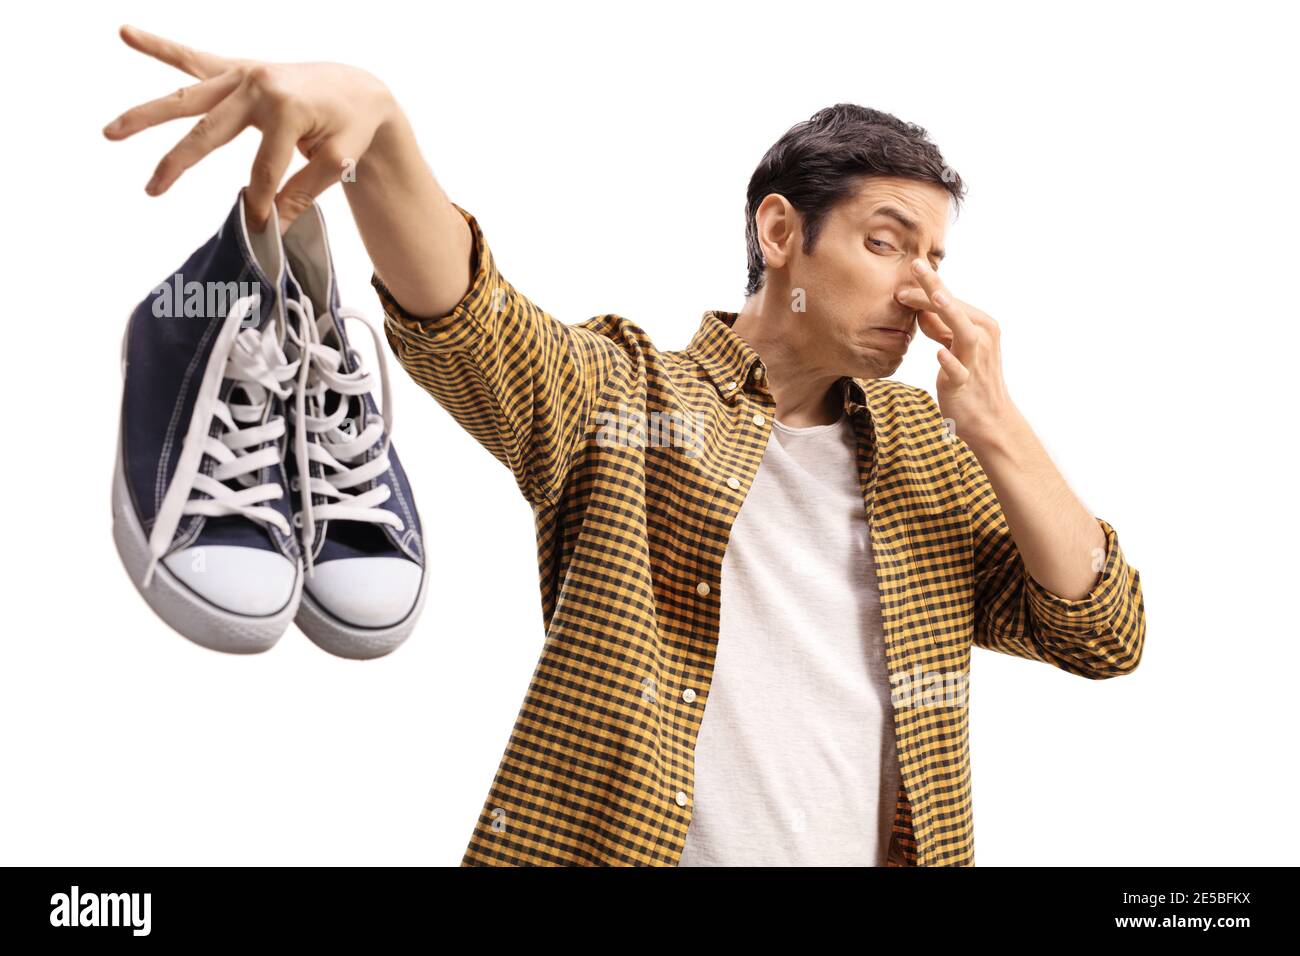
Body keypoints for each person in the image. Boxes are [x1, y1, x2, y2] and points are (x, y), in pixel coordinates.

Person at [104, 25, 1147, 867]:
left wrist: (999, 429)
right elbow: (471, 318)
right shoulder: (629, 393)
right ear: (781, 234)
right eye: (886, 242)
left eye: (934, 256)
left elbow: (1102, 631)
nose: (922, 288)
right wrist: (379, 134)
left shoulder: (930, 448)